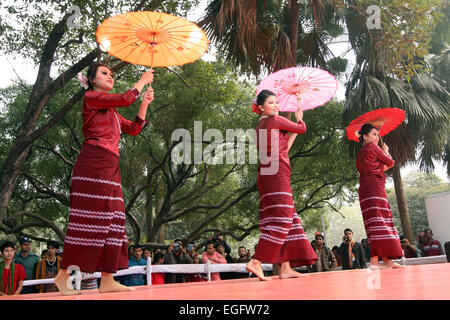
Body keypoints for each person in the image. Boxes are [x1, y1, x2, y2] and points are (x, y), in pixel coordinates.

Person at [53, 63, 155, 296]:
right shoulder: (91, 98)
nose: (110, 76)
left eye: (111, 74)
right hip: (93, 163)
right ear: (90, 80)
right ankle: (62, 276)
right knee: (89, 220)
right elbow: (125, 97)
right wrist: (141, 81)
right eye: (104, 73)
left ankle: (107, 279)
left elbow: (134, 129)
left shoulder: (112, 112)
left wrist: (144, 104)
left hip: (110, 166)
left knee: (115, 220)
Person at [246, 90, 318, 281]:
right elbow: (301, 128)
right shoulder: (274, 121)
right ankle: (256, 261)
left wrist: (293, 131)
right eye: (272, 102)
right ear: (261, 107)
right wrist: (299, 119)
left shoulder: (261, 125)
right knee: (283, 217)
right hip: (276, 174)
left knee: (289, 218)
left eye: (277, 102)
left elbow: (284, 149)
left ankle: (285, 267)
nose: (276, 105)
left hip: (270, 174)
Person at [355, 123, 403, 268]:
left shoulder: (361, 153)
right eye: (374, 134)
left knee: (374, 223)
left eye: (377, 134)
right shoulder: (373, 147)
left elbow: (380, 168)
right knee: (382, 220)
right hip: (375, 187)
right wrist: (386, 151)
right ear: (365, 136)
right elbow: (389, 161)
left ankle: (383, 260)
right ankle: (378, 260)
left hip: (365, 188)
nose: (377, 137)